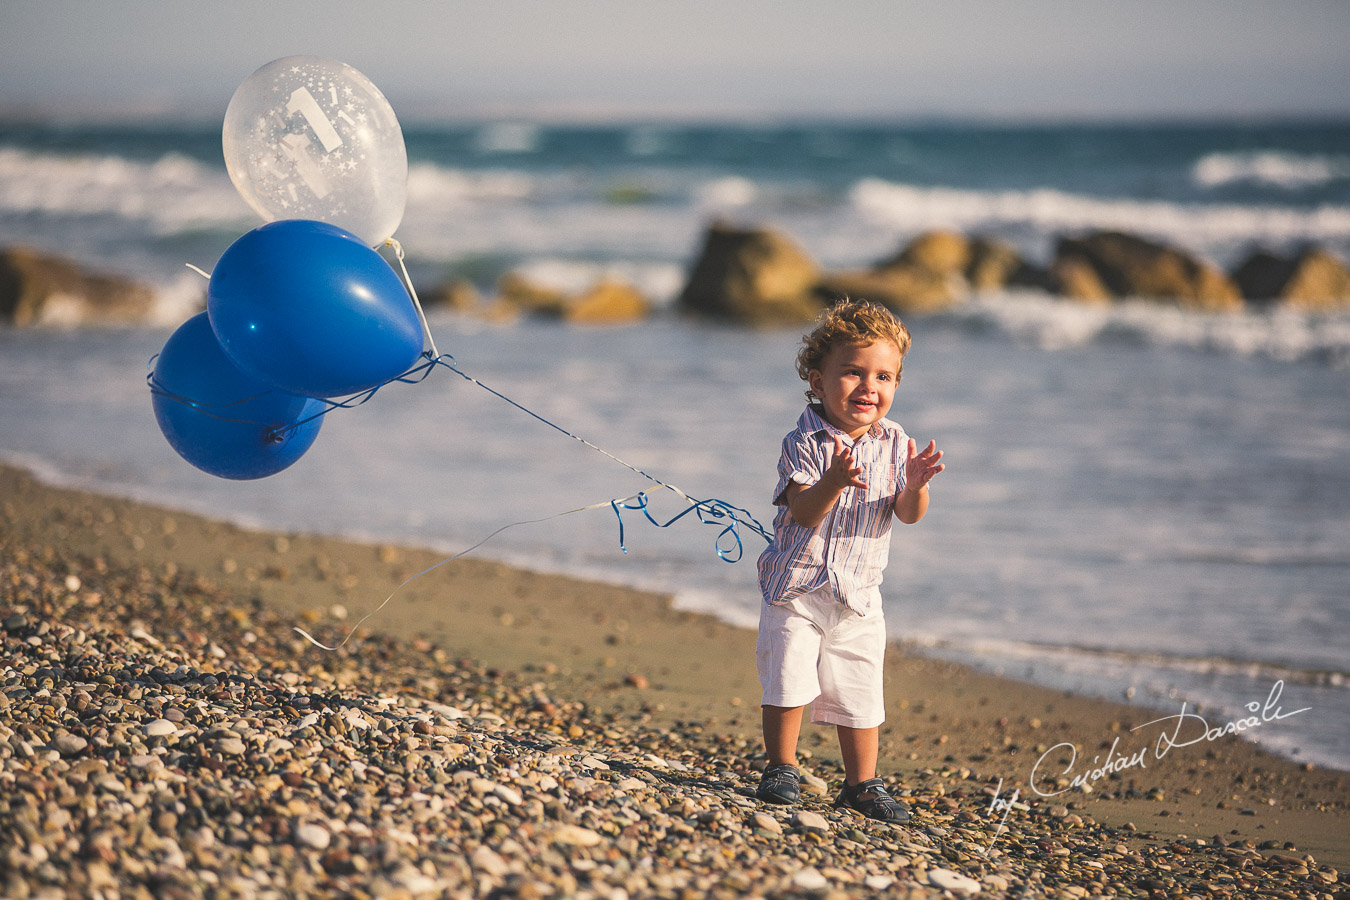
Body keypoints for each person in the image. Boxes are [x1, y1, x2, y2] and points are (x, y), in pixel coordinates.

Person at [754, 297, 944, 823]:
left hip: (859, 593)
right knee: (788, 676)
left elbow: (907, 515)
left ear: (897, 385)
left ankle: (861, 783)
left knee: (861, 688)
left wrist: (916, 485)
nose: (869, 387)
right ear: (817, 381)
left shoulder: (896, 442)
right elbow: (805, 511)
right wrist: (834, 480)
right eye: (853, 373)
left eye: (884, 376)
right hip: (797, 587)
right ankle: (781, 767)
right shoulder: (804, 442)